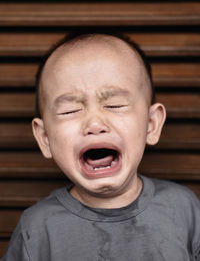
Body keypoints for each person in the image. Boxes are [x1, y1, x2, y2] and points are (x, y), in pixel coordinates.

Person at [2, 31, 200, 261]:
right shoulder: (37, 228)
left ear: (151, 124)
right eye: (70, 110)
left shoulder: (183, 208)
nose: (95, 124)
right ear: (45, 138)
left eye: (115, 105)